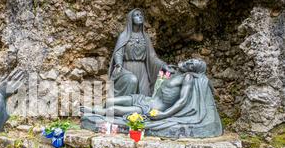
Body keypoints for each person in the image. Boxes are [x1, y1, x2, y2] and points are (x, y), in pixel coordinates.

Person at [82, 58, 223, 138]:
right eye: (190, 60)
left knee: (113, 109)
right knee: (109, 102)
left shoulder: (188, 78)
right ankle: (96, 112)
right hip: (145, 99)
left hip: (154, 107)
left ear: (193, 71)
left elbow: (183, 101)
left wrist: (164, 114)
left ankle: (91, 112)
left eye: (191, 65)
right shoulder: (175, 73)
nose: (187, 63)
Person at [108, 8, 171, 97]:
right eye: (136, 15)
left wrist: (163, 65)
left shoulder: (145, 37)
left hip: (142, 70)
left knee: (144, 95)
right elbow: (118, 52)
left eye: (141, 15)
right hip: (128, 67)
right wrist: (118, 64)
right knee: (131, 89)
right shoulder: (124, 35)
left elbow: (152, 57)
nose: (140, 17)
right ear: (131, 19)